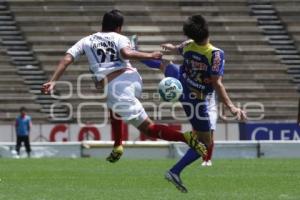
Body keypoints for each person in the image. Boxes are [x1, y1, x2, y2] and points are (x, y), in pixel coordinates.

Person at [41, 10, 207, 161]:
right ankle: (118, 145)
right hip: (132, 78)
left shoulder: (85, 41)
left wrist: (53, 80)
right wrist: (149, 54)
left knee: (148, 128)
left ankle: (187, 138)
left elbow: (67, 59)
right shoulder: (120, 38)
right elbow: (126, 53)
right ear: (119, 27)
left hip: (118, 87)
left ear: (103, 25)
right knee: (114, 106)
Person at [136, 14, 247, 192]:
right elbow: (217, 83)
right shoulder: (216, 54)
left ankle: (134, 53)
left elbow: (178, 48)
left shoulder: (188, 46)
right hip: (196, 100)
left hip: (181, 84)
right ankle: (175, 171)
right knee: (204, 143)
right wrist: (232, 107)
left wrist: (172, 47)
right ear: (207, 29)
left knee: (163, 64)